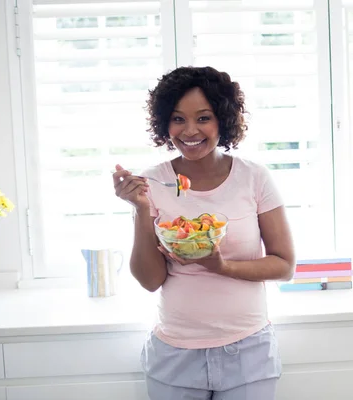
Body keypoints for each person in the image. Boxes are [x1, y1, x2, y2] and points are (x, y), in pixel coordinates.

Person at [112, 66, 296, 399]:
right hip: (174, 354)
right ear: (164, 123)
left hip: (248, 351)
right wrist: (140, 209)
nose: (190, 130)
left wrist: (221, 267)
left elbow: (284, 265)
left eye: (204, 117)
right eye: (178, 119)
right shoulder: (153, 182)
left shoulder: (255, 177)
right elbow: (150, 280)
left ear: (223, 120)